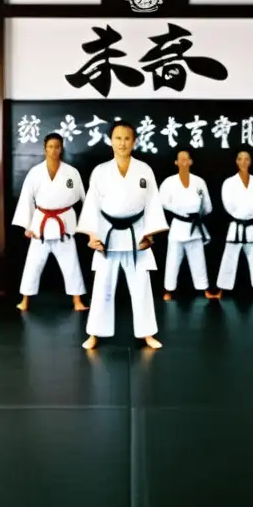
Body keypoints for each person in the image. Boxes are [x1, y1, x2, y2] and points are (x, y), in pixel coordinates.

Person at [78, 121, 167, 350]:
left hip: (136, 233)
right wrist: (91, 235)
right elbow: (91, 204)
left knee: (141, 286)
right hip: (107, 234)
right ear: (111, 141)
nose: (122, 143)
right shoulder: (100, 171)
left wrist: (151, 234)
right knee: (103, 286)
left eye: (127, 138)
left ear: (134, 141)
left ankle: (147, 334)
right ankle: (95, 334)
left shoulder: (144, 170)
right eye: (118, 138)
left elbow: (152, 202)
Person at [13, 133, 88, 312]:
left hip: (64, 224)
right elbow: (26, 199)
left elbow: (84, 199)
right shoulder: (35, 173)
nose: (54, 150)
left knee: (71, 263)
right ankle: (25, 299)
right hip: (41, 224)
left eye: (57, 146)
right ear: (45, 148)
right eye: (50, 146)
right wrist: (27, 226)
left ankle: (77, 300)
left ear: (61, 149)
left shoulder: (71, 173)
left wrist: (87, 225)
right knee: (33, 264)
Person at [159, 149, 215, 301]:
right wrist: (179, 210)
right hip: (178, 226)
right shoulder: (169, 182)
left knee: (199, 261)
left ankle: (204, 289)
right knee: (172, 261)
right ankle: (168, 290)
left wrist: (198, 214)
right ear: (176, 162)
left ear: (191, 162)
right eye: (180, 159)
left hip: (195, 226)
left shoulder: (199, 182)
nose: (183, 162)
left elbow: (208, 206)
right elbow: (162, 202)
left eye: (186, 159)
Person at [216, 150, 253, 299]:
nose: (243, 162)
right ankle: (221, 289)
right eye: (240, 158)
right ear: (236, 161)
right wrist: (243, 212)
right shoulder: (229, 182)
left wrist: (250, 212)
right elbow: (228, 204)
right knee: (229, 257)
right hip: (237, 225)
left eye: (247, 159)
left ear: (250, 161)